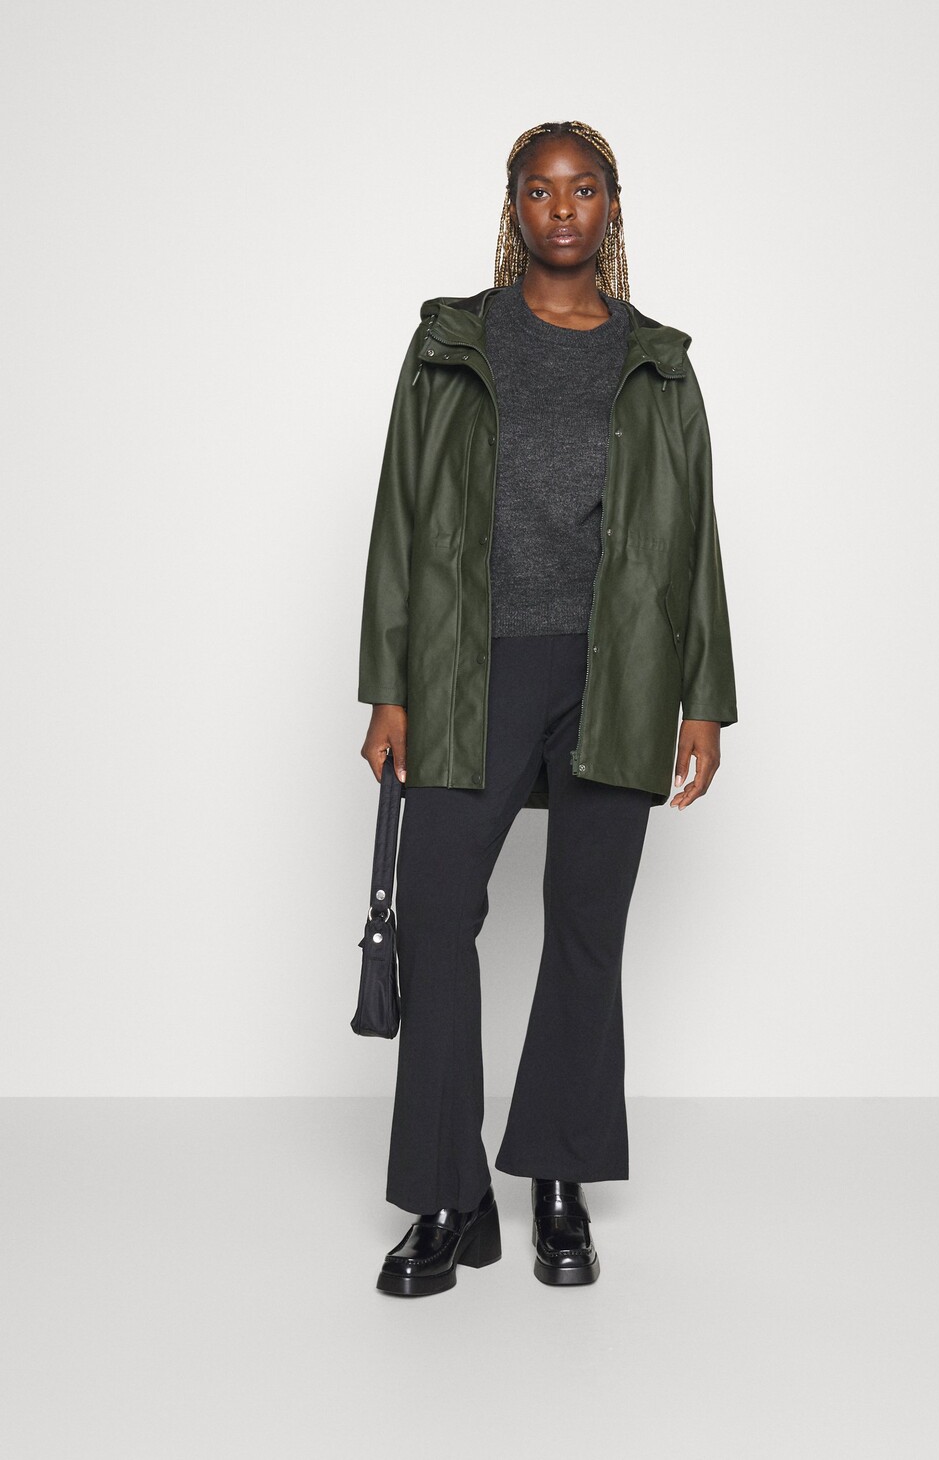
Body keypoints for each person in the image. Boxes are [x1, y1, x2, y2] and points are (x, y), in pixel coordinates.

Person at [357, 120, 737, 1297]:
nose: (561, 208)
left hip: (619, 672)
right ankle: (446, 1194)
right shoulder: (450, 344)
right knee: (436, 917)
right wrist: (388, 686)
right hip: (470, 667)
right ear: (512, 207)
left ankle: (558, 1179)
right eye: (539, 189)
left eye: (582, 189)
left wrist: (704, 698)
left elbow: (695, 538)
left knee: (584, 927)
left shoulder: (658, 364)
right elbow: (398, 514)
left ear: (611, 207)